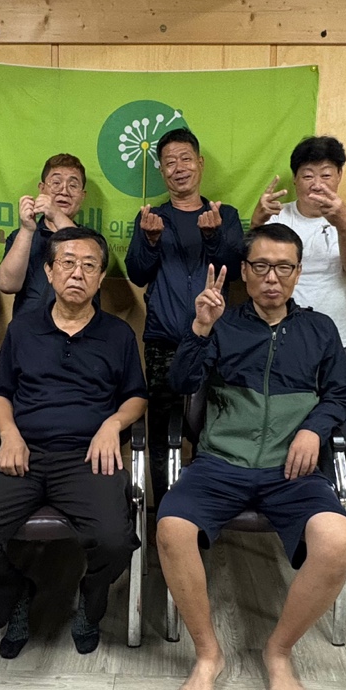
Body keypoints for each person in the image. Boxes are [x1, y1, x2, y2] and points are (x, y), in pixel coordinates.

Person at [157, 224, 346, 690]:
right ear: (244, 273)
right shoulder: (221, 322)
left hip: (292, 470)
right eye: (262, 266)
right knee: (172, 527)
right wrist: (200, 329)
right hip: (220, 463)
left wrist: (313, 429)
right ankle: (208, 655)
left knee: (337, 540)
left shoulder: (320, 330)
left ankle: (279, 651)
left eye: (284, 267)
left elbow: (340, 395)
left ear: (298, 273)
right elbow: (180, 383)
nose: (272, 278)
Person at [0, 228, 146, 658]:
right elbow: (2, 396)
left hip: (88, 456)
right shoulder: (23, 329)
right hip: (24, 453)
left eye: (89, 265)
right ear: (49, 272)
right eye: (67, 263)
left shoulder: (118, 334)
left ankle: (90, 602)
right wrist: (10, 435)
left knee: (114, 541)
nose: (78, 273)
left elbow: (136, 396)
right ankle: (16, 595)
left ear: (100, 277)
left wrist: (112, 424)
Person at [253, 134, 346, 549]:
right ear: (296, 179)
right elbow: (251, 268)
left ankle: (344, 513)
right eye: (308, 175)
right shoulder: (279, 217)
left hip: (337, 338)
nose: (317, 184)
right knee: (284, 427)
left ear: (339, 176)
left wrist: (342, 222)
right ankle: (289, 513)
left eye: (326, 174)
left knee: (342, 427)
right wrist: (256, 222)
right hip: (282, 339)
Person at [125, 128, 244, 507]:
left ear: (200, 164)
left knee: (212, 430)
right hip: (164, 342)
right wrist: (150, 242)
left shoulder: (225, 216)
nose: (179, 168)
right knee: (162, 431)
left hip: (214, 342)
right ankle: (166, 511)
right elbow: (137, 273)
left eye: (185, 159)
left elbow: (235, 270)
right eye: (169, 162)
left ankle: (207, 512)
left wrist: (213, 238)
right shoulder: (151, 218)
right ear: (162, 171)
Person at [0, 153, 94, 317]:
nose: (64, 191)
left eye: (73, 185)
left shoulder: (93, 241)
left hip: (79, 328)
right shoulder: (21, 236)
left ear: (82, 195)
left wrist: (56, 214)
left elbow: (85, 249)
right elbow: (7, 285)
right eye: (56, 183)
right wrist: (27, 229)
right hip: (30, 327)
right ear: (42, 189)